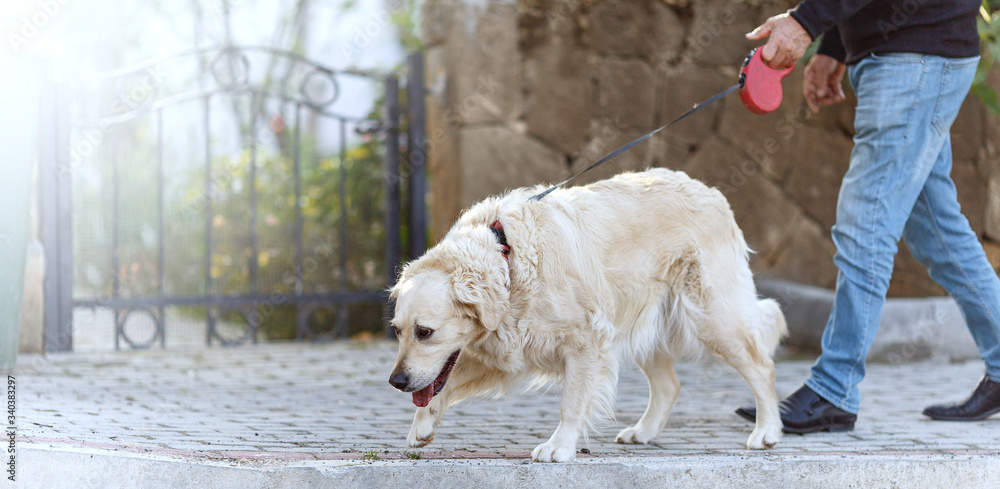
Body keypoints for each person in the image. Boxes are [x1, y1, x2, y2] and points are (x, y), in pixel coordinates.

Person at [734, 0, 1000, 433]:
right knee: (936, 231)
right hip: (913, 57)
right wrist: (835, 45)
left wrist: (805, 23)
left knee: (866, 223)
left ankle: (833, 391)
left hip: (915, 61)